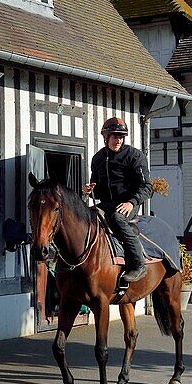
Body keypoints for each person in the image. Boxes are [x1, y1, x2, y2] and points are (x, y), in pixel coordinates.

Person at [82, 117, 151, 282]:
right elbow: (96, 187)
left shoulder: (135, 156)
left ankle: (138, 264)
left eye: (121, 137)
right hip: (106, 203)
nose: (118, 140)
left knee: (117, 218)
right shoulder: (98, 158)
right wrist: (89, 190)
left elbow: (147, 187)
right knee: (87, 216)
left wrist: (131, 203)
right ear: (105, 137)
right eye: (114, 136)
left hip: (127, 203)